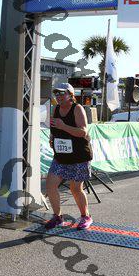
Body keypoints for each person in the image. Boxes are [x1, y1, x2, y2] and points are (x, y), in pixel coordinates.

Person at [44, 82, 94, 230]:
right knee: (50, 185)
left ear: (70, 95)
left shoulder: (77, 108)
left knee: (75, 188)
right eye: (56, 93)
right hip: (61, 156)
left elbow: (83, 131)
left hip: (79, 156)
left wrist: (63, 126)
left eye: (62, 93)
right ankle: (57, 217)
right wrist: (52, 138)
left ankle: (86, 216)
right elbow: (54, 127)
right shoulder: (56, 109)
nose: (58, 96)